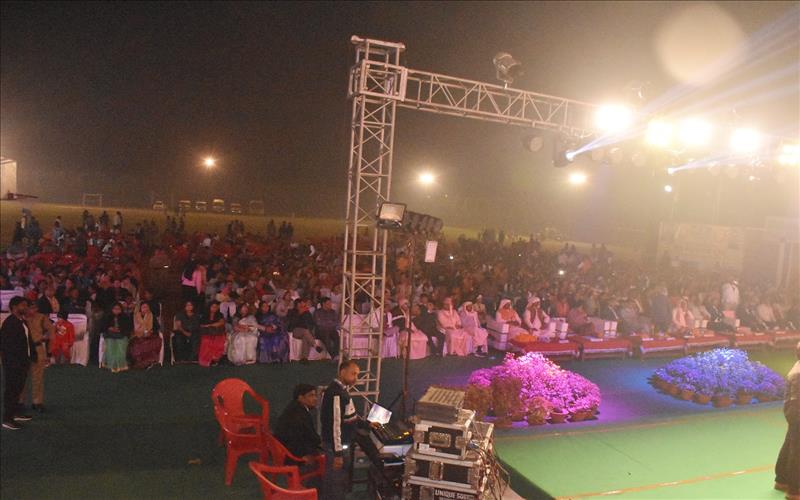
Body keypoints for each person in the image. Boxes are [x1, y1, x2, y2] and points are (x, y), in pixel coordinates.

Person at [320, 360, 370, 500]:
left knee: (336, 480)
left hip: (340, 445)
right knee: (336, 482)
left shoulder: (341, 391)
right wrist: (338, 454)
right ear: (342, 372)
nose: (356, 378)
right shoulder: (336, 394)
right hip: (337, 447)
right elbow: (335, 425)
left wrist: (367, 425)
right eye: (353, 374)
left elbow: (350, 416)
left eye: (357, 374)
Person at [1, 297, 35, 430]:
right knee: (12, 390)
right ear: (14, 307)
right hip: (13, 363)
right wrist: (14, 362)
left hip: (22, 361)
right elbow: (6, 345)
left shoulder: (21, 321)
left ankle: (15, 413)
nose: (26, 307)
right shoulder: (10, 323)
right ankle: (7, 419)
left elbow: (27, 341)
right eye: (23, 305)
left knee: (18, 389)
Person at [775, 342, 799, 500]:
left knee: (790, 443)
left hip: (793, 410)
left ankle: (781, 480)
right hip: (797, 411)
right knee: (797, 450)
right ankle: (794, 490)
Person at [20, 301, 54, 412]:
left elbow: (51, 331)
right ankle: (20, 401)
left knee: (38, 376)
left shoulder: (41, 317)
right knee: (22, 376)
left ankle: (37, 402)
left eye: (35, 308)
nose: (33, 310)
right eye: (31, 307)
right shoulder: (20, 317)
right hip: (23, 348)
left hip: (37, 347)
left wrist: (49, 350)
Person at [274, 384, 323, 461]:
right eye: (311, 395)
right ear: (301, 398)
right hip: (294, 456)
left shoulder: (294, 409)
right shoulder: (299, 414)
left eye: (315, 395)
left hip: (284, 453)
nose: (315, 399)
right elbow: (304, 437)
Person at [128, 302, 162, 369]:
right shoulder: (134, 315)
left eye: (147, 307)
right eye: (143, 307)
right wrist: (139, 332)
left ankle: (149, 361)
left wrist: (151, 331)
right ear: (140, 308)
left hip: (149, 335)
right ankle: (139, 362)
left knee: (155, 341)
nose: (145, 309)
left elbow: (157, 327)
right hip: (137, 335)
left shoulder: (151, 315)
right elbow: (130, 327)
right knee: (137, 343)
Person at [102, 302, 133, 373]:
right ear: (111, 309)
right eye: (115, 309)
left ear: (121, 310)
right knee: (110, 345)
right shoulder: (107, 316)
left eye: (118, 309)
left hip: (121, 335)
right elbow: (103, 327)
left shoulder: (125, 317)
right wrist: (109, 328)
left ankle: (120, 365)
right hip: (109, 335)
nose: (116, 310)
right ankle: (111, 365)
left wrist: (120, 330)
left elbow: (128, 328)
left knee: (120, 345)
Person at [286, 298, 319, 364]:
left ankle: (304, 358)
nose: (301, 305)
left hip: (306, 331)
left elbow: (312, 322)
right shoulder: (292, 311)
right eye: (299, 303)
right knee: (306, 332)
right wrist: (299, 313)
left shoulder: (306, 312)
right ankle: (315, 345)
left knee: (306, 336)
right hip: (295, 330)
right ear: (296, 304)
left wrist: (310, 329)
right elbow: (291, 323)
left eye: (301, 303)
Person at [198, 301, 227, 367]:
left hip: (218, 334)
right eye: (213, 307)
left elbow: (221, 323)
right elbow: (202, 325)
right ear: (209, 307)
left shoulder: (220, 314)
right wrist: (209, 326)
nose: (214, 308)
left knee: (219, 342)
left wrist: (210, 325)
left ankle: (215, 359)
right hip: (207, 333)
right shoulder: (205, 315)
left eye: (216, 307)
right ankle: (207, 360)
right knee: (206, 341)